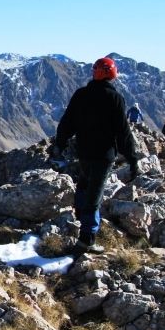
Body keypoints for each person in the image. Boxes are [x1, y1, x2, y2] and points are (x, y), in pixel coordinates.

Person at [51, 57, 140, 254]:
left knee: (84, 184)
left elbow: (67, 122)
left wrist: (61, 143)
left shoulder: (81, 94)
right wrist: (133, 159)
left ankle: (80, 216)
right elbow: (123, 132)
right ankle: (86, 239)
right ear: (112, 74)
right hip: (104, 155)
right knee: (95, 194)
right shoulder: (115, 98)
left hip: (84, 152)